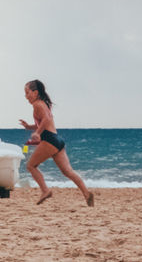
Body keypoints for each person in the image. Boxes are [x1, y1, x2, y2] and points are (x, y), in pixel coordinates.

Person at [20, 79, 94, 207]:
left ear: (36, 92)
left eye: (27, 92)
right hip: (57, 140)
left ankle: (45, 191)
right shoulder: (44, 104)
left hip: (49, 140)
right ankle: (87, 194)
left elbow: (46, 119)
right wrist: (29, 127)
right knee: (68, 171)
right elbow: (44, 121)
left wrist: (37, 133)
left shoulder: (37, 104)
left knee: (31, 166)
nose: (26, 96)